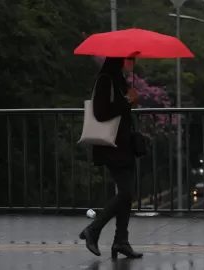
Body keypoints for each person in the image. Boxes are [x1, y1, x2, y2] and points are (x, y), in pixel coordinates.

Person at [79, 57, 143, 259]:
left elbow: (121, 110)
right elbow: (101, 112)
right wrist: (126, 101)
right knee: (126, 193)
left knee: (127, 195)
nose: (131, 61)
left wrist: (130, 101)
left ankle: (121, 241)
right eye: (128, 57)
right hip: (112, 146)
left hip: (124, 144)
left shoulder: (118, 79)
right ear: (118, 58)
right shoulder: (106, 79)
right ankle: (93, 229)